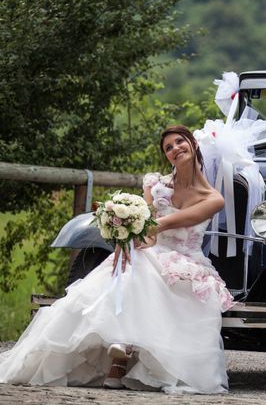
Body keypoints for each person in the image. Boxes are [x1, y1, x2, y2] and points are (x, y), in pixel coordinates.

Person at [0, 125, 234, 393]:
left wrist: (139, 232)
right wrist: (127, 241)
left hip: (186, 263)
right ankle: (119, 352)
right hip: (152, 251)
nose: (175, 149)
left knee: (143, 267)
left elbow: (163, 224)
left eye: (180, 142)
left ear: (193, 144)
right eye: (168, 148)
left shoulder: (212, 199)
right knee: (131, 262)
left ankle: (120, 358)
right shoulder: (155, 185)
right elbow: (147, 236)